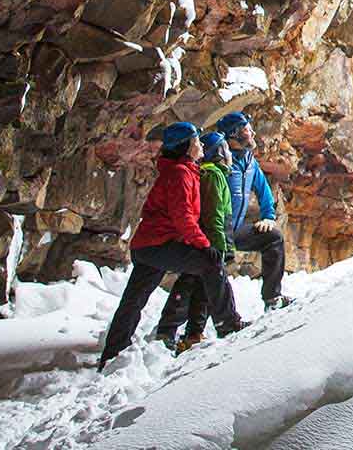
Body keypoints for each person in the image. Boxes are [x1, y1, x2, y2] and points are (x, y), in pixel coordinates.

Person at [98, 122, 245, 368]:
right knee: (210, 263)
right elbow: (183, 216)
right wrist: (203, 243)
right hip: (159, 244)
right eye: (196, 142)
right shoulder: (180, 173)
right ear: (186, 147)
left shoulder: (181, 171)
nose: (200, 146)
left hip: (147, 246)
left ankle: (113, 352)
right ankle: (227, 322)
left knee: (134, 299)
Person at [154, 130, 239, 353]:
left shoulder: (214, 173)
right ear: (219, 151)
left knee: (201, 285)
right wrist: (219, 245)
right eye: (226, 149)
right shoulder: (212, 175)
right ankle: (171, 329)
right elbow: (214, 215)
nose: (230, 154)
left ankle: (192, 332)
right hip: (205, 239)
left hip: (205, 239)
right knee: (194, 281)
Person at [216, 111, 293, 311]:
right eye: (246, 129)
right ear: (233, 135)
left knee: (273, 237)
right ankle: (169, 329)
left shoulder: (249, 160)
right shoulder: (221, 161)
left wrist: (268, 216)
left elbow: (263, 188)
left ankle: (272, 298)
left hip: (235, 229)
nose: (252, 133)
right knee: (204, 275)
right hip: (215, 230)